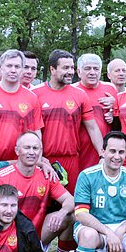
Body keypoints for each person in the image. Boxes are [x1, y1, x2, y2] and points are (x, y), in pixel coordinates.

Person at [0, 132, 75, 252]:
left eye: (35, 148)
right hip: (8, 238)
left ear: (40, 151)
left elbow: (70, 199)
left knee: (70, 216)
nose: (31, 152)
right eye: (27, 148)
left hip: (36, 236)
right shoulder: (1, 177)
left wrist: (61, 213)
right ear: (17, 150)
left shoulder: (47, 175)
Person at [32, 49, 103, 193]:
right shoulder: (35, 94)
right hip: (44, 160)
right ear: (52, 69)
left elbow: (93, 128)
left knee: (71, 205)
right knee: (43, 205)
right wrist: (37, 157)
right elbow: (32, 131)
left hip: (71, 160)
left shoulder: (80, 95)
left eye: (71, 67)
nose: (70, 71)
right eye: (65, 68)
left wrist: (102, 154)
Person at [0, 49, 43, 161]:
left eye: (17, 66)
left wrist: (38, 161)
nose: (13, 70)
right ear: (1, 68)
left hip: (20, 164)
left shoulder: (32, 97)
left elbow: (36, 133)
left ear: (22, 69)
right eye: (9, 66)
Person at [73, 53, 118, 170]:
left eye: (96, 69)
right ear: (79, 72)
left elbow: (122, 115)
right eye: (87, 68)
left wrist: (114, 110)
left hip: (106, 148)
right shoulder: (73, 91)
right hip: (80, 150)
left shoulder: (110, 88)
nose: (92, 72)